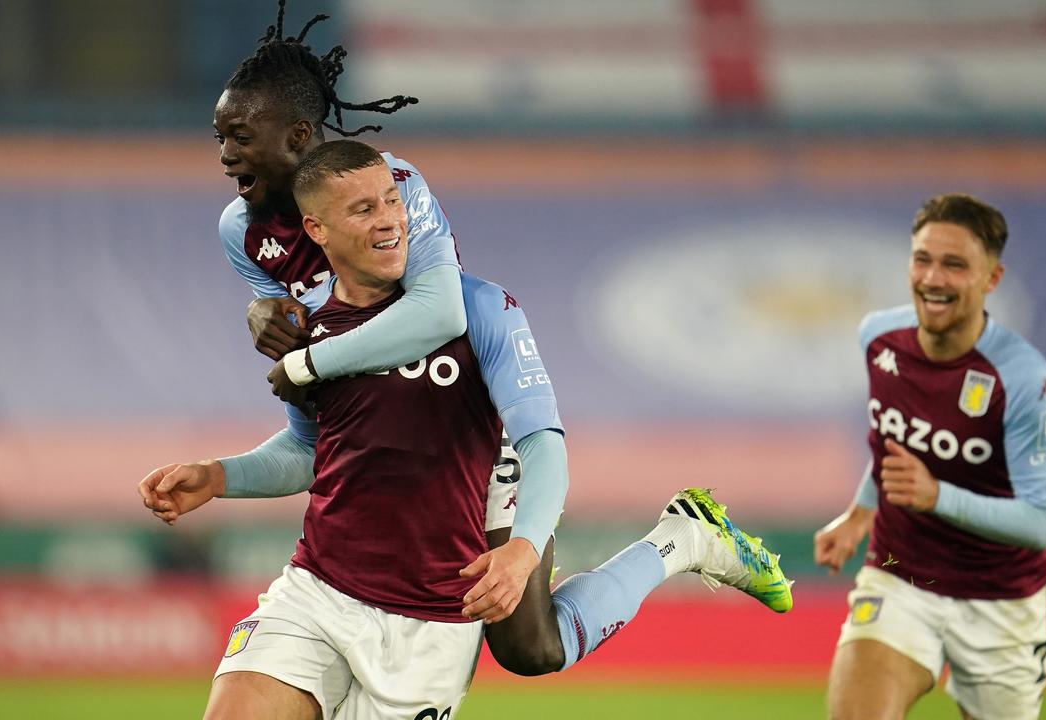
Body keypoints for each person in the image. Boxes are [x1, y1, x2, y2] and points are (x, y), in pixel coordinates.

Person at [205, 1, 791, 680]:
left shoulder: (389, 185)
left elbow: (438, 315)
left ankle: (684, 539)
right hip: (387, 429)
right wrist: (265, 315)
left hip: (465, 422)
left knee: (529, 648)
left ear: (299, 135)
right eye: (220, 136)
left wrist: (308, 360)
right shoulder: (239, 232)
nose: (224, 155)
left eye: (240, 137)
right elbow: (303, 361)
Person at [140, 142, 791, 718]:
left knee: (534, 648)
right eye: (363, 210)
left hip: (444, 577)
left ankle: (681, 540)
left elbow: (544, 445)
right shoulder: (308, 329)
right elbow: (309, 452)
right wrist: (221, 475)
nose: (390, 218)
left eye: (392, 200)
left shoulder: (480, 309)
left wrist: (524, 547)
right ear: (316, 229)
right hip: (319, 592)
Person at [813, 194, 1046, 720]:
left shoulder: (1025, 381)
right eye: (922, 259)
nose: (933, 278)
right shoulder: (879, 339)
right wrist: (860, 515)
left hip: (1000, 602)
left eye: (954, 265)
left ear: (991, 279)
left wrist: (938, 496)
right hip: (900, 575)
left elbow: (1043, 523)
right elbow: (893, 444)